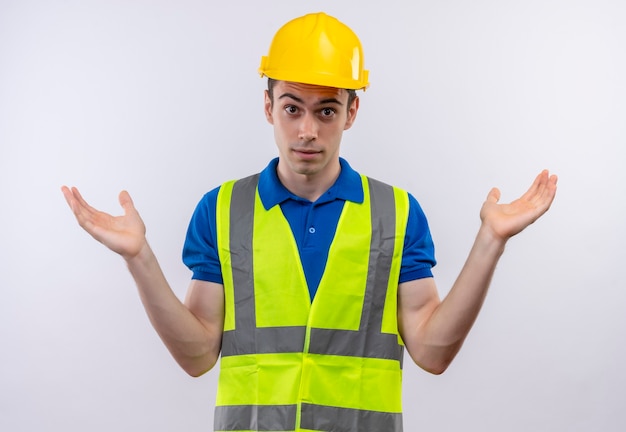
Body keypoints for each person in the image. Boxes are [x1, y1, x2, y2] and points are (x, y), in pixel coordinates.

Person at [61, 12, 557, 432]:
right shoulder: (222, 209)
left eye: (326, 111)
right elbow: (196, 356)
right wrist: (139, 259)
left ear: (351, 112)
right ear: (267, 106)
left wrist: (491, 241)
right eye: (292, 107)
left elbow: (432, 350)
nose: (307, 130)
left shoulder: (397, 213)